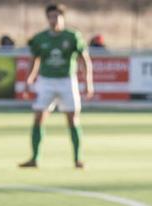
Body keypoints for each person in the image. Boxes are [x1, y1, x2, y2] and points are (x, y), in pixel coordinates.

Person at [19, 4, 93, 169]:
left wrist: (88, 82)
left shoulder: (72, 36)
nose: (54, 20)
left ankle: (77, 159)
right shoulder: (40, 38)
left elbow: (84, 59)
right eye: (51, 17)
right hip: (46, 81)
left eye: (57, 16)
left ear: (63, 18)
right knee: (38, 117)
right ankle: (35, 158)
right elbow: (34, 61)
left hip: (67, 81)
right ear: (47, 18)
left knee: (72, 119)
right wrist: (28, 81)